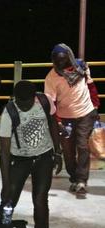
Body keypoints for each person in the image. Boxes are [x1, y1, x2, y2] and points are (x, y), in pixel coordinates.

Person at [0, 80, 62, 228]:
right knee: (8, 201)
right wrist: (5, 184)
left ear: (34, 97)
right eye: (20, 102)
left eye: (26, 103)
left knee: (40, 199)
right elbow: (4, 152)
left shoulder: (44, 101)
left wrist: (58, 153)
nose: (23, 107)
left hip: (44, 157)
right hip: (20, 159)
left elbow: (53, 125)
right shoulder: (9, 112)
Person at [44, 43, 98, 197]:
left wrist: (95, 106)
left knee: (82, 145)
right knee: (68, 151)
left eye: (62, 59)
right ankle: (74, 177)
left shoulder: (82, 68)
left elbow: (91, 85)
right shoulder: (51, 78)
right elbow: (51, 104)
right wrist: (58, 122)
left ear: (69, 57)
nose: (59, 63)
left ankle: (81, 180)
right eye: (56, 60)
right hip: (65, 117)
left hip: (85, 113)